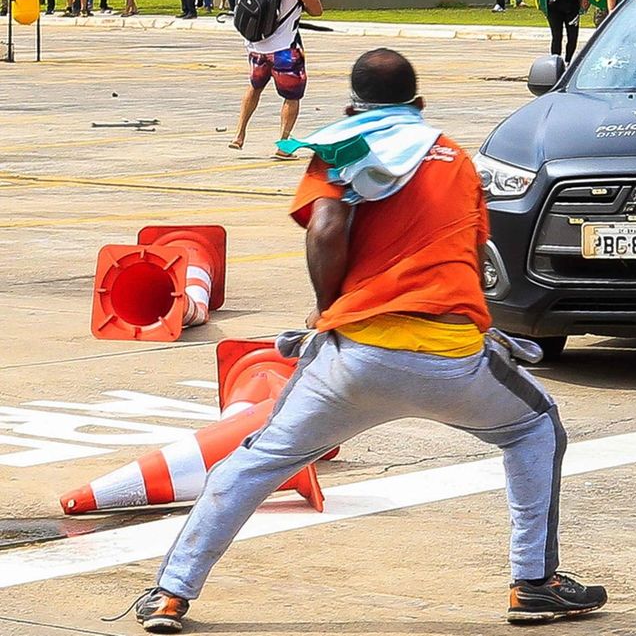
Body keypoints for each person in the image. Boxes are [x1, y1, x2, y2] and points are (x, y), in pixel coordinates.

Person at [130, 46, 608, 633]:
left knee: (254, 463)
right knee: (535, 428)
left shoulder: (340, 149)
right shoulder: (455, 158)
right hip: (452, 357)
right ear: (420, 104)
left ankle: (172, 594)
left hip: (353, 359)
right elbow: (478, 258)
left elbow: (328, 229)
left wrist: (327, 307)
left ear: (353, 106)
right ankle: (533, 584)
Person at [229, 0, 322, 155]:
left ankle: (239, 134)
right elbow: (317, 10)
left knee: (255, 87)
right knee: (292, 96)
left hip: (256, 44)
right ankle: (283, 144)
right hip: (284, 48)